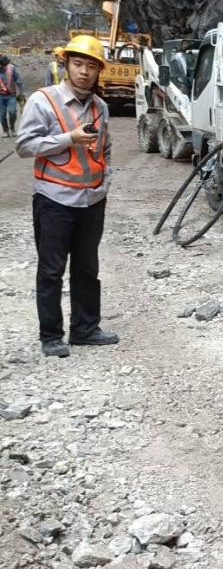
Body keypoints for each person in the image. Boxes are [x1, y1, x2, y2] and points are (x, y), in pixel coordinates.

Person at [16, 34, 119, 358]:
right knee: (51, 269)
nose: (84, 72)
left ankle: (85, 329)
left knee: (87, 267)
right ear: (66, 65)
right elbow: (24, 146)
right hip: (55, 200)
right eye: (78, 64)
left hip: (91, 201)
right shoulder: (42, 101)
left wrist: (104, 182)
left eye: (91, 66)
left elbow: (105, 148)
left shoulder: (100, 106)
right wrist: (67, 138)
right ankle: (51, 336)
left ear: (98, 70)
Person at [0, 54, 24, 136]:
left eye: (3, 66)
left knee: (12, 112)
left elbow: (17, 79)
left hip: (11, 95)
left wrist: (21, 91)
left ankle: (12, 127)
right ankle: (5, 130)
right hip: (1, 96)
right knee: (2, 115)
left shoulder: (11, 68)